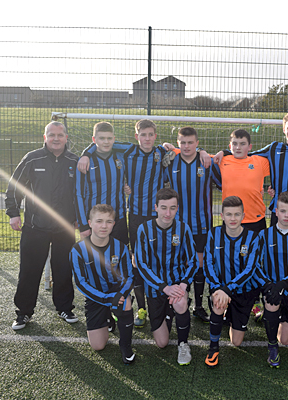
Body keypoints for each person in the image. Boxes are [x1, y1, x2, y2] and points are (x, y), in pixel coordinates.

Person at [77, 119, 170, 329]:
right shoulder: (127, 151)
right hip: (135, 216)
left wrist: (192, 149)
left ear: (155, 135)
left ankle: (163, 306)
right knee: (134, 263)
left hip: (158, 218)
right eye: (142, 135)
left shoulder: (161, 153)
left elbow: (182, 149)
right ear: (136, 136)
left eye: (150, 134)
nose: (146, 139)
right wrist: (85, 152)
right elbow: (100, 143)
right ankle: (140, 307)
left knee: (159, 260)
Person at [6, 121, 79, 330]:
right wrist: (13, 213)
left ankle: (65, 308)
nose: (56, 138)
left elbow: (82, 194)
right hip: (34, 226)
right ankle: (23, 313)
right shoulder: (32, 158)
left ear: (66, 137)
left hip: (64, 228)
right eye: (52, 134)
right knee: (29, 270)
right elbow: (14, 187)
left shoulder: (74, 161)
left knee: (64, 269)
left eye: (60, 134)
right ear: (44, 137)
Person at [134, 188, 198, 365]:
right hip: (156, 289)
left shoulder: (183, 228)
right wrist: (164, 287)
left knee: (181, 301)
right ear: (155, 207)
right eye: (163, 208)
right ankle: (168, 315)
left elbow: (193, 261)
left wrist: (183, 285)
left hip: (177, 285)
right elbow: (141, 264)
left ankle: (183, 344)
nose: (168, 213)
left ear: (177, 208)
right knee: (162, 343)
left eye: (172, 208)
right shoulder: (144, 229)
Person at [69, 204, 135, 364]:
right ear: (90, 223)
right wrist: (106, 298)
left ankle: (125, 346)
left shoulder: (120, 247)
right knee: (98, 346)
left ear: (114, 224)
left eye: (108, 221)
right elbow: (81, 283)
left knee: (125, 302)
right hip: (96, 296)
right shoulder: (78, 250)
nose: (104, 226)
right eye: (99, 221)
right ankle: (108, 317)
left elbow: (129, 277)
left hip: (117, 292)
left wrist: (120, 294)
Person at [162, 127, 214, 324]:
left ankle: (198, 306)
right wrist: (164, 147)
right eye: (182, 142)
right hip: (177, 226)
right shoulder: (171, 161)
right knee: (178, 263)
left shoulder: (205, 162)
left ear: (197, 143)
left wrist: (207, 153)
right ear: (178, 143)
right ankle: (178, 299)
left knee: (199, 265)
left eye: (190, 142)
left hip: (201, 225)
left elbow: (222, 175)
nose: (186, 146)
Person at [255, 191, 288, 368]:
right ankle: (272, 346)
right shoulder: (264, 235)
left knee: (285, 340)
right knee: (271, 304)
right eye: (283, 211)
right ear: (276, 211)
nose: (286, 215)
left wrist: (284, 284)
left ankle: (272, 319)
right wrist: (268, 285)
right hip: (272, 290)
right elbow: (255, 264)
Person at [203, 196, 261, 367]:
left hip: (244, 290)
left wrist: (227, 289)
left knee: (236, 342)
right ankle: (213, 347)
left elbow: (250, 269)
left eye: (237, 214)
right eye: (229, 214)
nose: (233, 218)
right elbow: (208, 263)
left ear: (243, 215)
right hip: (220, 288)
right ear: (222, 215)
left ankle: (234, 314)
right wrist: (217, 288)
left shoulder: (253, 238)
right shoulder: (214, 234)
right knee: (218, 303)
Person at [75, 122, 128, 244]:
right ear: (94, 139)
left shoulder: (120, 157)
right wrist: (83, 225)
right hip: (95, 221)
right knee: (94, 259)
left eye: (109, 138)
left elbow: (138, 147)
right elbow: (78, 194)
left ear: (114, 139)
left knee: (118, 258)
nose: (106, 142)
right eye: (102, 138)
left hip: (118, 219)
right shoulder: (85, 162)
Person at [212, 129, 270, 232]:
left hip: (255, 218)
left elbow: (280, 162)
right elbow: (194, 154)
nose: (238, 147)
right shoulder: (222, 160)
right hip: (231, 219)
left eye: (242, 144)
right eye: (235, 144)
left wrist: (273, 187)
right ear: (230, 146)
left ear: (250, 147)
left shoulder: (259, 161)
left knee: (256, 248)